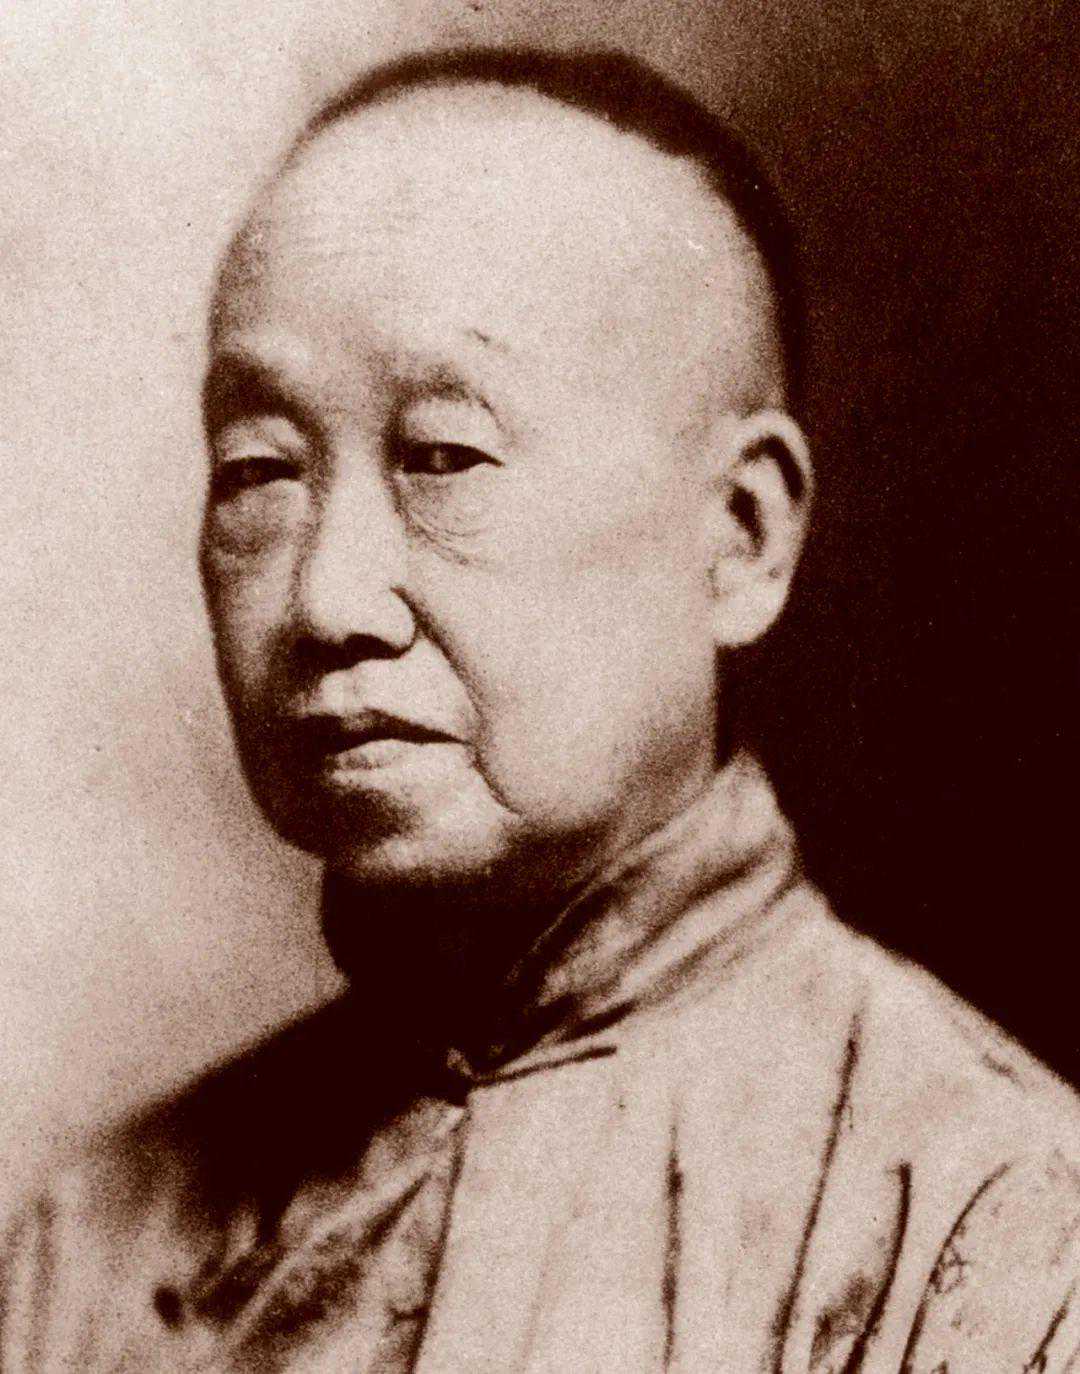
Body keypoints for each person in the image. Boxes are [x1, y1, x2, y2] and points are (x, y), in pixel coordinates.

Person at [3, 46, 1079, 1374]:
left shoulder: (998, 1223)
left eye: (444, 456)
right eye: (259, 470)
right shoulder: (91, 1251)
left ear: (740, 535)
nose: (329, 598)